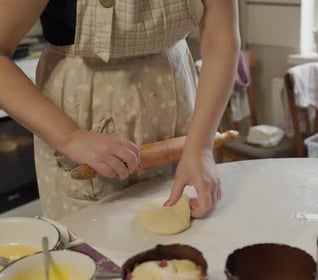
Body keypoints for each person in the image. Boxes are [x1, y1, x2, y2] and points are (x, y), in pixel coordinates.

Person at [0, 0, 240, 220]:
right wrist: (70, 137)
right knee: (95, 256)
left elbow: (221, 44)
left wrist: (200, 148)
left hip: (180, 111)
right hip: (81, 128)